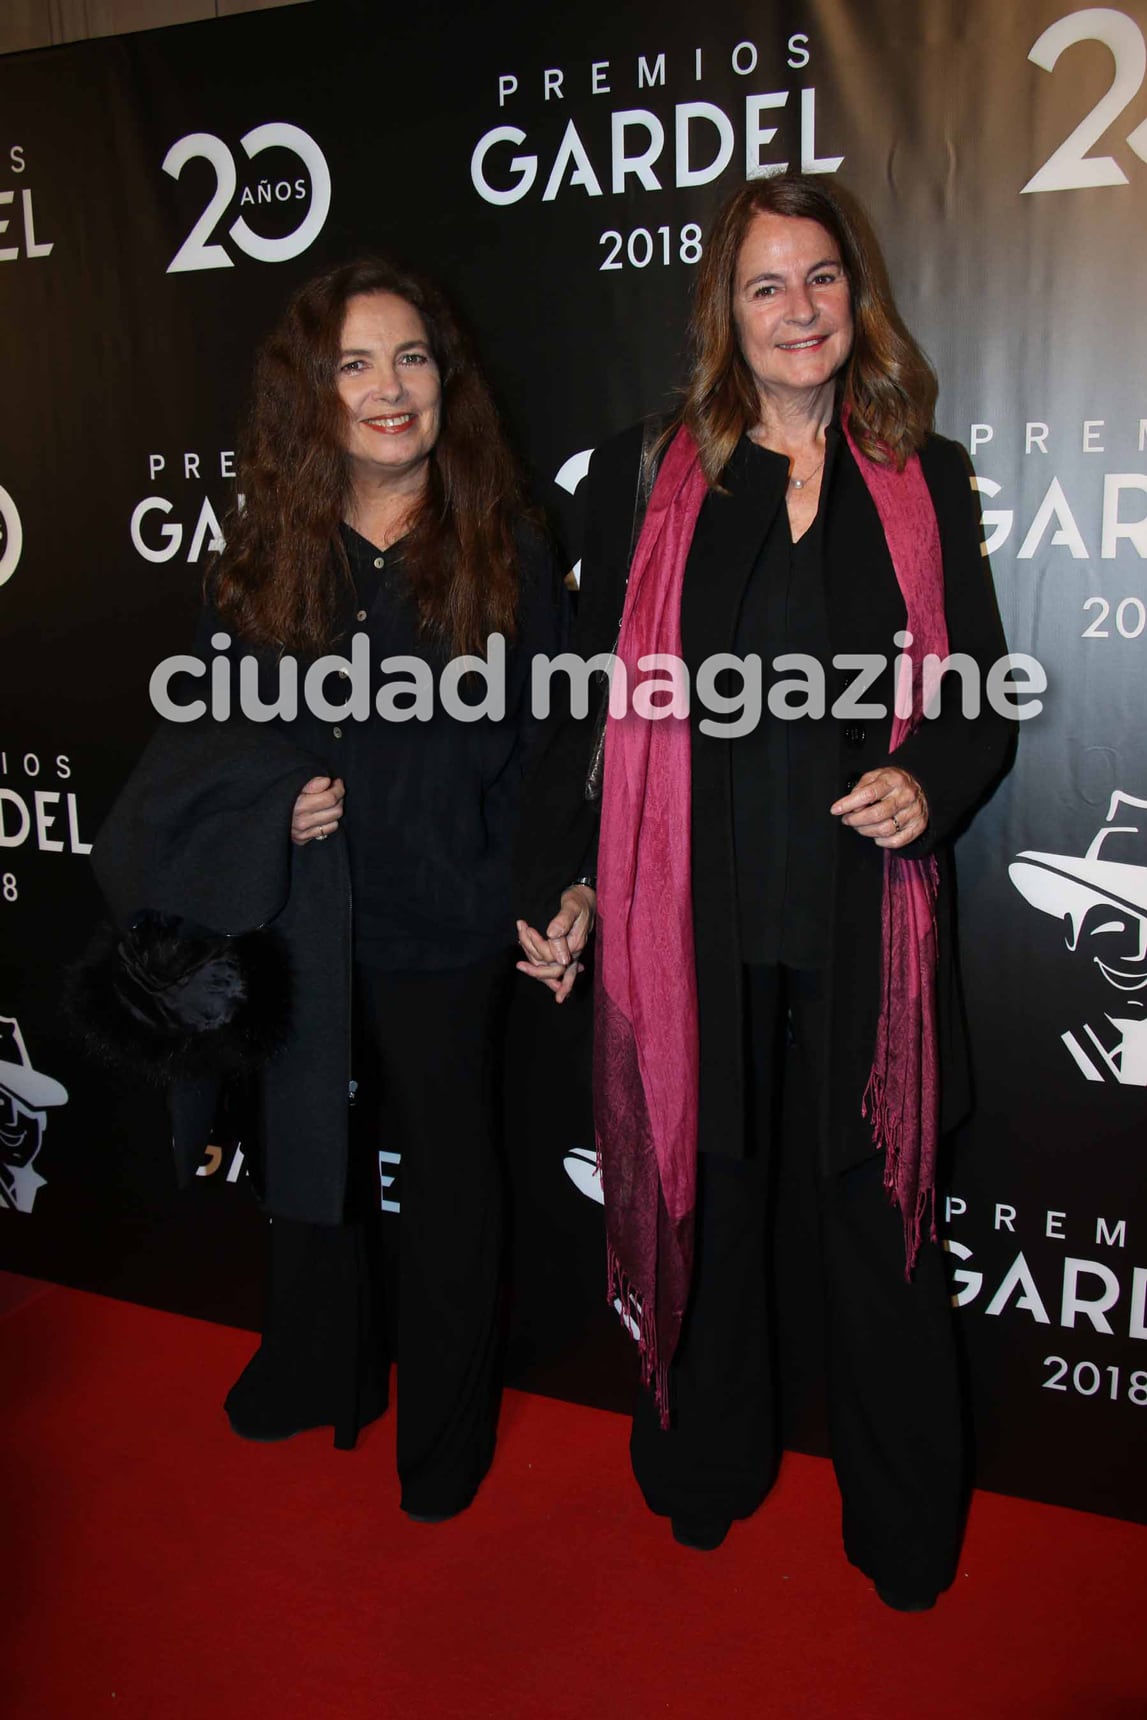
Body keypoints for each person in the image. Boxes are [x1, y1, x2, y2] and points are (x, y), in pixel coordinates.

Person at [516, 174, 1013, 1607]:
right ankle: (703, 1469)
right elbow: (582, 705)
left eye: (817, 280)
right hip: (696, 921)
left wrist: (929, 782)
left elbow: (975, 697)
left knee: (877, 1234)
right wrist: (555, 875)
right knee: (705, 1205)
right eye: (763, 288)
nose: (796, 312)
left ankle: (903, 1526)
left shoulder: (924, 474)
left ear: (854, 295)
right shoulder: (645, 474)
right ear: (721, 318)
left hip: (862, 918)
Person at [199, 259, 564, 1520]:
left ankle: (445, 1436)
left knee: (452, 1189)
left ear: (443, 380)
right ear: (313, 390)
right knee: (307, 1160)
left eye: (409, 356)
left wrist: (543, 893)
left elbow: (544, 750)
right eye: (354, 361)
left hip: (447, 925)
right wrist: (267, 805)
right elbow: (218, 741)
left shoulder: (504, 551)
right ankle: (313, 1365)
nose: (387, 386)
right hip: (303, 920)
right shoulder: (269, 554)